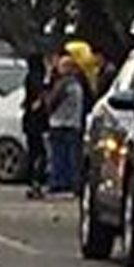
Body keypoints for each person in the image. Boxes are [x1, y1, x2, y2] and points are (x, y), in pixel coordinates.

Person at [44, 53, 85, 196]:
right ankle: (72, 183)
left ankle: (59, 182)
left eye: (61, 66)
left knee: (58, 156)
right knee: (72, 157)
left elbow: (51, 103)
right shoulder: (78, 85)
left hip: (59, 124)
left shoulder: (63, 84)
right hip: (74, 124)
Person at [23, 52, 50, 200]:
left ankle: (33, 182)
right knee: (40, 153)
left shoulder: (29, 77)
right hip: (37, 122)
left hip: (30, 121)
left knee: (34, 152)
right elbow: (39, 95)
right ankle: (36, 182)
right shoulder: (37, 78)